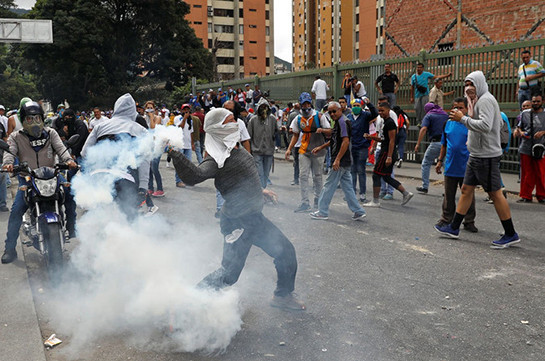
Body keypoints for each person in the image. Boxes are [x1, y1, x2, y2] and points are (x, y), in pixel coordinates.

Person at [169, 108, 305, 311]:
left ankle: (282, 296)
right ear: (217, 128)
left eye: (235, 120)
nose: (235, 123)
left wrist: (260, 191)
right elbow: (195, 176)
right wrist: (176, 155)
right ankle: (188, 305)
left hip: (254, 219)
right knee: (229, 274)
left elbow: (243, 178)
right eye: (230, 121)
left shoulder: (235, 147)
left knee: (286, 253)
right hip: (237, 223)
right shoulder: (216, 158)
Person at [435, 71, 519, 249]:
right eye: (466, 84)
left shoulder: (486, 100)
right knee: (466, 190)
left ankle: (510, 233)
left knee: (495, 194)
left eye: (471, 84)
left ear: (480, 84)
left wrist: (463, 119)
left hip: (486, 156)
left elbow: (486, 126)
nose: (468, 88)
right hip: (476, 155)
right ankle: (454, 227)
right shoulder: (477, 101)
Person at [1, 101, 78, 264]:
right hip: (28, 177)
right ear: (23, 120)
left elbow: (62, 149)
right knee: (16, 210)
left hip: (51, 174)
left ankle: (71, 228)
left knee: (71, 195)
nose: (34, 122)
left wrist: (69, 160)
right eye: (29, 119)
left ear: (42, 119)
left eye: (37, 118)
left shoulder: (51, 133)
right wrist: (8, 164)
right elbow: (10, 153)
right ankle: (10, 249)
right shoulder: (16, 137)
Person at [81, 93, 151, 219]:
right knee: (130, 219)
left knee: (97, 218)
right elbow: (145, 160)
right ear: (132, 111)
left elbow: (85, 153)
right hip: (126, 181)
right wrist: (143, 187)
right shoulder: (140, 130)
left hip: (100, 178)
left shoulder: (100, 127)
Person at [309, 102, 367, 221]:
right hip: (343, 161)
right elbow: (335, 139)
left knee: (328, 186)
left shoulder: (343, 122)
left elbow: (345, 142)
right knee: (348, 188)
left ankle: (322, 211)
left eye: (334, 111)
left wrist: (337, 160)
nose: (332, 114)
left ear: (340, 110)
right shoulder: (338, 122)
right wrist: (321, 147)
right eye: (330, 112)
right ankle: (358, 211)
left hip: (340, 161)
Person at [434, 98, 477, 232]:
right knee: (448, 195)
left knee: (468, 195)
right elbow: (444, 144)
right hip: (450, 166)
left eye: (461, 107)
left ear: (467, 109)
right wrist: (440, 161)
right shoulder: (448, 123)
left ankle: (469, 221)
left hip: (467, 167)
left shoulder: (470, 124)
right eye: (455, 107)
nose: (457, 110)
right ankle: (446, 219)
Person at [285, 92, 330, 212]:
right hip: (304, 150)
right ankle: (305, 202)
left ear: (311, 103)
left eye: (307, 103)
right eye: (303, 104)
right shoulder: (298, 118)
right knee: (303, 176)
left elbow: (330, 131)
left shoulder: (319, 116)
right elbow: (295, 135)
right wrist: (289, 149)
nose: (306, 107)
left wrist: (323, 130)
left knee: (317, 176)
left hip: (318, 150)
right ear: (300, 105)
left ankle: (318, 200)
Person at [363, 102, 414, 208]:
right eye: (379, 110)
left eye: (382, 110)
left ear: (388, 111)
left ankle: (375, 201)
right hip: (386, 151)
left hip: (386, 153)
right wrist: (371, 137)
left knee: (376, 174)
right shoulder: (385, 122)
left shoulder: (390, 122)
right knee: (386, 176)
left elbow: (392, 141)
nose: (380, 112)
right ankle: (406, 193)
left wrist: (389, 156)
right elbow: (383, 139)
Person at [513, 93, 545, 203]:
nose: (535, 103)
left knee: (541, 173)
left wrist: (543, 133)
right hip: (526, 146)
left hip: (540, 148)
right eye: (534, 101)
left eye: (538, 101)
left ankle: (542, 195)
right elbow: (519, 127)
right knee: (527, 173)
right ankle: (526, 195)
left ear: (542, 102)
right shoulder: (525, 114)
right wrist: (520, 132)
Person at [348, 98, 378, 202]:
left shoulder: (365, 116)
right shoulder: (349, 117)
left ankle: (362, 194)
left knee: (361, 170)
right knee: (352, 171)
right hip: (352, 147)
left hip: (362, 147)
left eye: (358, 105)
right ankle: (351, 193)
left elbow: (375, 114)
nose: (356, 107)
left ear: (361, 106)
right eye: (354, 106)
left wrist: (369, 103)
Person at [414, 103, 449, 194]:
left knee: (426, 163)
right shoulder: (445, 115)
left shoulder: (429, 115)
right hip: (447, 143)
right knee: (446, 165)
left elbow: (423, 129)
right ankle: (448, 189)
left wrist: (418, 144)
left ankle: (425, 186)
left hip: (436, 143)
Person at [247, 98, 278, 188]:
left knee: (266, 174)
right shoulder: (253, 120)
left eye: (265, 107)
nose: (263, 109)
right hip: (256, 151)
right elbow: (249, 136)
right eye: (262, 107)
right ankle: (261, 193)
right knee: (259, 173)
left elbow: (276, 132)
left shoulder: (272, 119)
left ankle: (263, 190)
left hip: (269, 151)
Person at [173, 104, 194, 188]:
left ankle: (187, 180)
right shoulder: (177, 118)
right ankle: (178, 181)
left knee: (188, 164)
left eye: (188, 110)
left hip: (188, 144)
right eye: (184, 109)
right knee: (179, 164)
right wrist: (185, 118)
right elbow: (180, 127)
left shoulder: (191, 120)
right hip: (180, 144)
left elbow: (191, 132)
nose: (186, 111)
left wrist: (192, 143)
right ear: (181, 110)